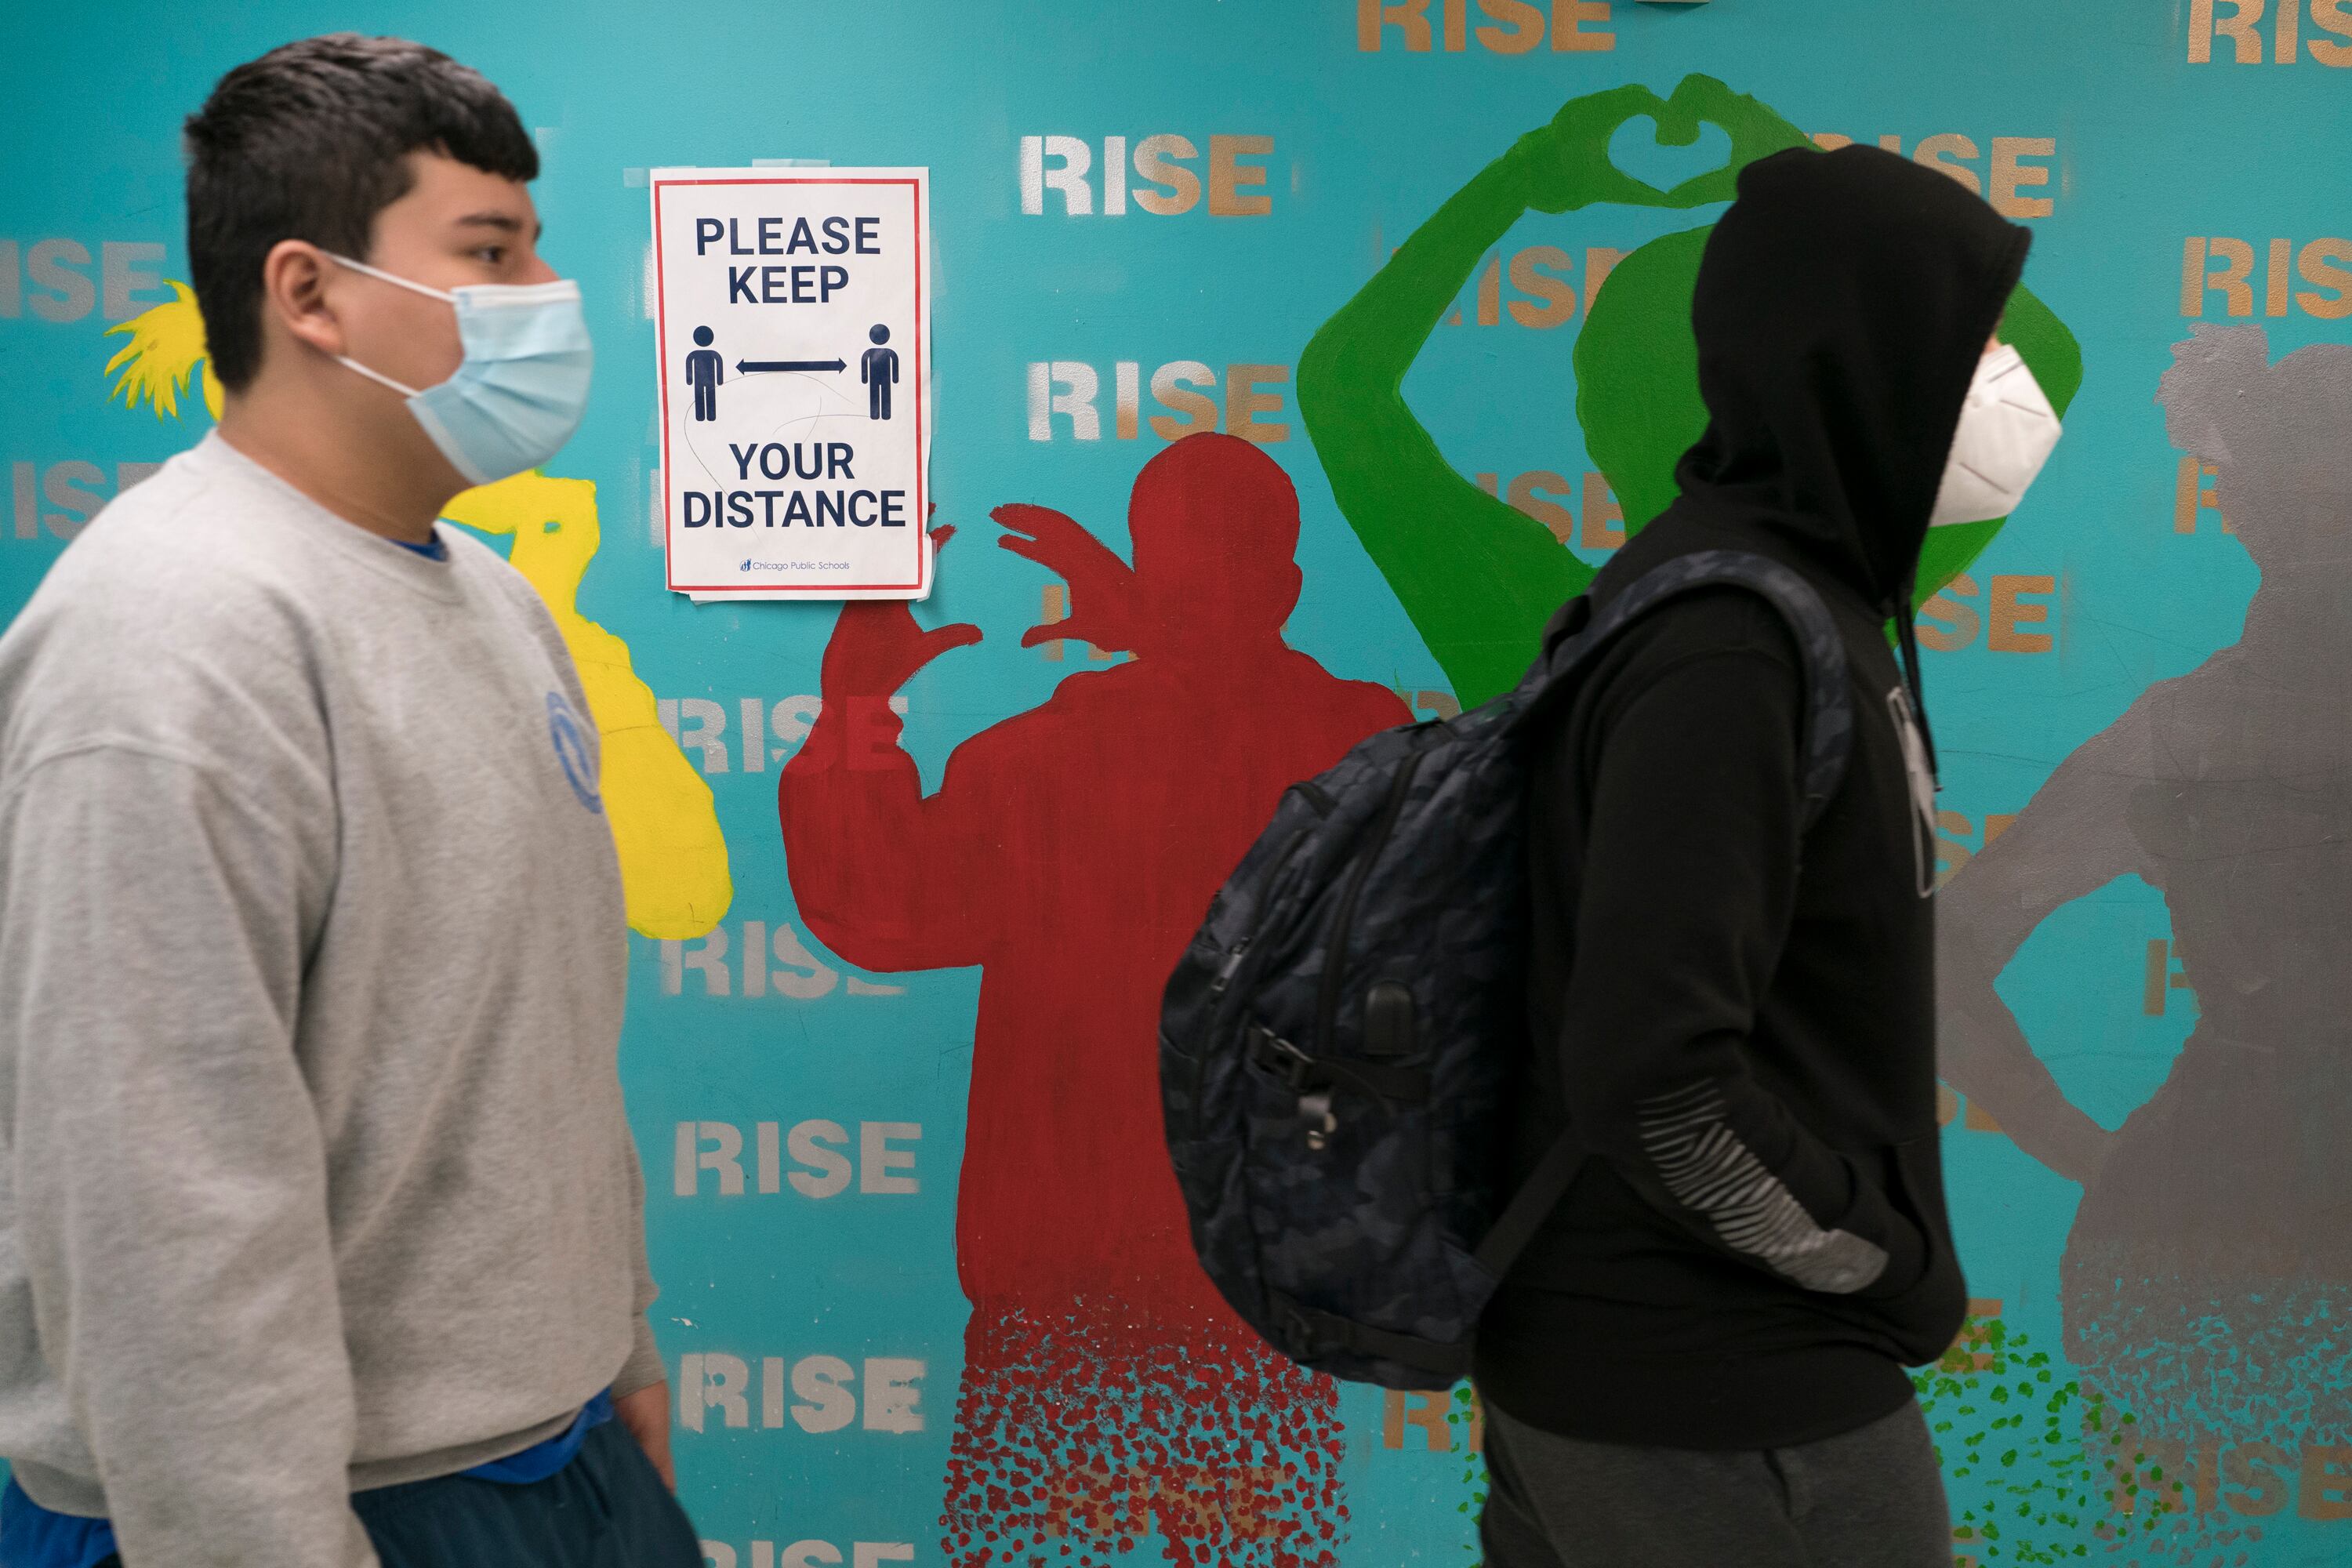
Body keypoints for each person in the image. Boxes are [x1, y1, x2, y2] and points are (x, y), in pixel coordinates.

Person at [0, 34, 696, 1568]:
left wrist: (613, 1349)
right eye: (490, 253)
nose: (544, 302)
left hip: (548, 1449)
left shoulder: (497, 603)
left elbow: (536, 1042)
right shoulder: (172, 635)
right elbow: (157, 1201)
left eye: (537, 248)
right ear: (309, 294)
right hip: (313, 1507)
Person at [1474, 146, 2061, 1566]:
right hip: (1715, 1398)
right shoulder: (1731, 643)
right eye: (1976, 340)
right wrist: (1880, 1261)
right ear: (1860, 355)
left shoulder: (1788, 596)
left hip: (1655, 1378)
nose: (2009, 385)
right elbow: (1655, 1073)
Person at [778, 434, 1408, 1568]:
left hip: (1055, 1308)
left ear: (1139, 575)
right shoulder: (1356, 751)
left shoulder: (1038, 764)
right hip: (1252, 1302)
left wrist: (860, 711)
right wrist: (1170, 634)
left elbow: (876, 913)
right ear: (1289, 590)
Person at [1940, 325, 2352, 1482]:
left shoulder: (2183, 733)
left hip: (2183, 1236)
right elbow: (1939, 954)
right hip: (2191, 1255)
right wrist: (2085, 1148)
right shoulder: (2181, 735)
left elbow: (1938, 954)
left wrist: (2084, 1149)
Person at [686, 325, 724, 421]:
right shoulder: (696, 354)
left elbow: (719, 363)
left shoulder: (711, 354)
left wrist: (720, 380)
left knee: (710, 398)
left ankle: (710, 416)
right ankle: (700, 416)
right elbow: (689, 364)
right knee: (700, 398)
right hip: (703, 382)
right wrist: (689, 380)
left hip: (706, 381)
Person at [861, 322, 898, 420]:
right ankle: (875, 414)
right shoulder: (870, 352)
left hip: (882, 378)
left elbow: (895, 362)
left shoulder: (889, 352)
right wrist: (865, 378)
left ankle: (885, 415)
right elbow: (864, 362)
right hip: (877, 379)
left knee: (884, 396)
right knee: (875, 396)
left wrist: (895, 378)